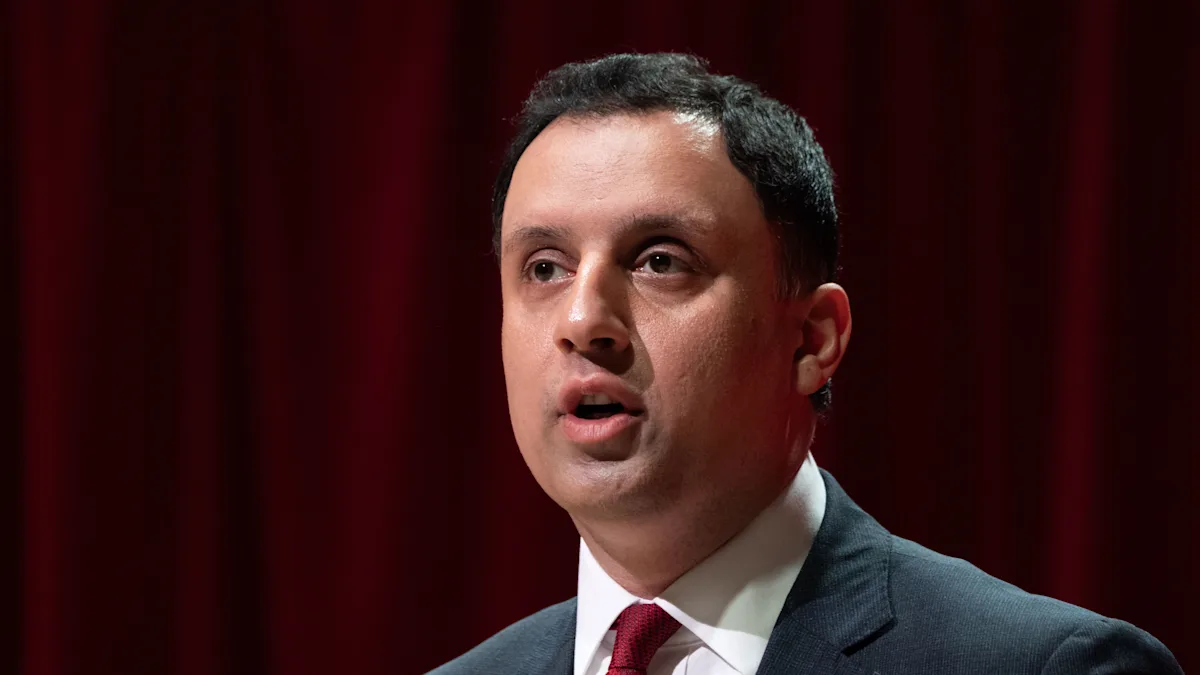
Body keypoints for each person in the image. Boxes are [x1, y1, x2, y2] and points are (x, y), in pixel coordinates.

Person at [431, 53, 1181, 675]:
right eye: (544, 268)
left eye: (660, 260)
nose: (584, 319)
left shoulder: (1045, 666)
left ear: (814, 338)